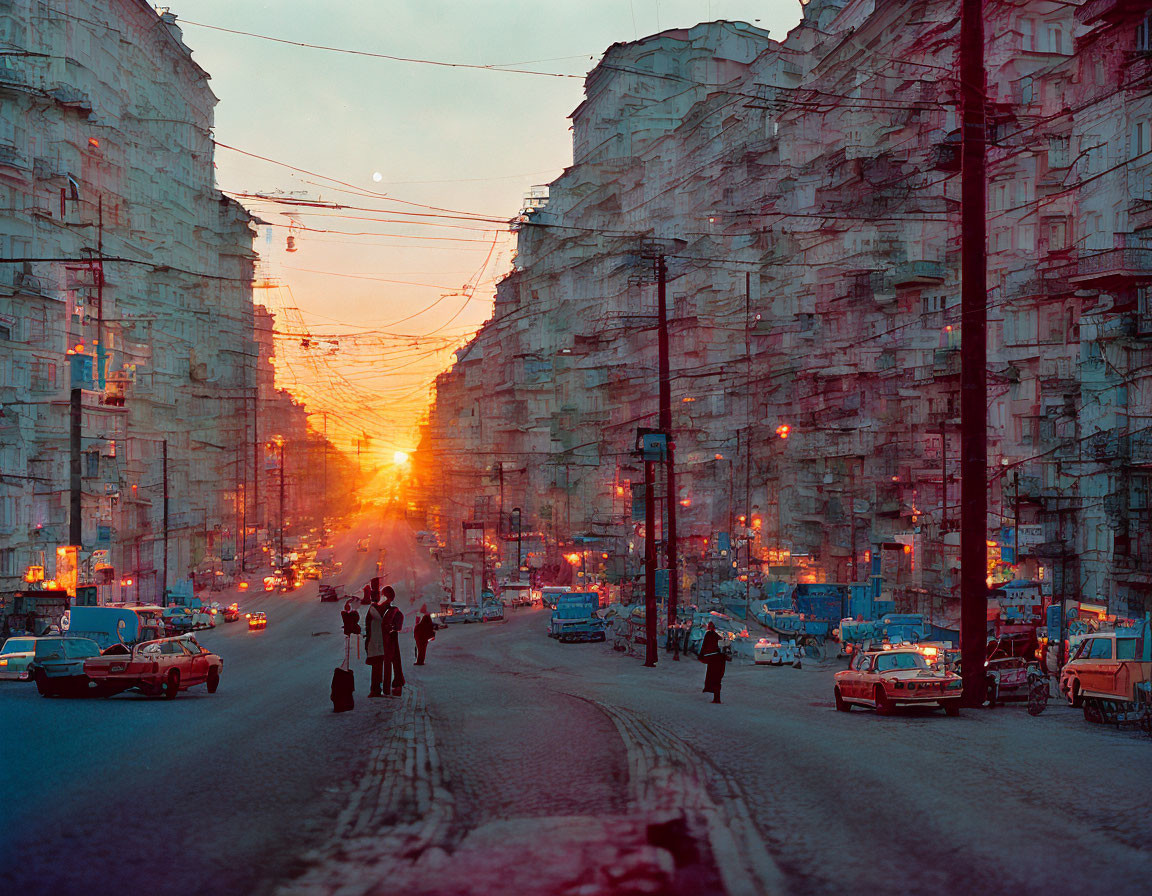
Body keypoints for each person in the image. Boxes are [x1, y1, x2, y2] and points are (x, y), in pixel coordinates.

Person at [364, 587, 393, 698]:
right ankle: (374, 690)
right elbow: (380, 615)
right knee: (377, 667)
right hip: (374, 643)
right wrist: (388, 601)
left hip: (378, 642)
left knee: (378, 667)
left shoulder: (377, 608)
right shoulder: (373, 609)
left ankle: (377, 689)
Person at [381, 586, 405, 697]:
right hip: (392, 638)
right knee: (395, 661)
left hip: (388, 638)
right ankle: (397, 683)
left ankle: (387, 688)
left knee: (388, 663)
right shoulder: (392, 608)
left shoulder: (388, 607)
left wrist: (392, 628)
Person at [699, 621, 727, 704]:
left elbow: (705, 646)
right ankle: (716, 697)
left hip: (713, 659)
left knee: (713, 677)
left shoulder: (709, 635)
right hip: (720, 659)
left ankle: (716, 697)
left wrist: (701, 656)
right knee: (717, 679)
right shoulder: (719, 636)